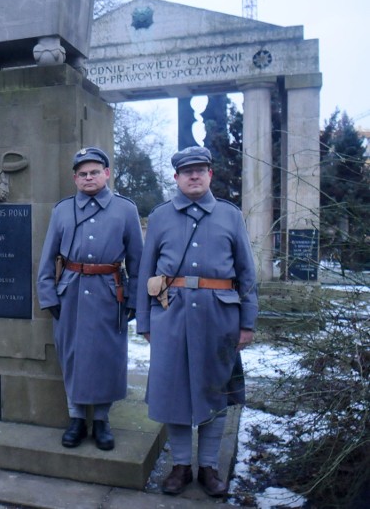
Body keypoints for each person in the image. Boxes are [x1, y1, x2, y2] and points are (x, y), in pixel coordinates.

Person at [136, 146, 257, 497]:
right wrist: (145, 320)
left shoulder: (230, 215)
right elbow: (145, 270)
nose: (194, 176)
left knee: (215, 392)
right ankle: (180, 466)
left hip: (220, 317)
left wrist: (247, 323)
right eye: (187, 171)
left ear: (210, 175)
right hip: (170, 315)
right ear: (175, 177)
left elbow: (247, 273)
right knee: (173, 392)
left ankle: (208, 467)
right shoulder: (160, 216)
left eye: (201, 170)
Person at [37, 147, 143, 451]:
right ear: (75, 178)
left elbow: (138, 259)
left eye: (94, 172)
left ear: (106, 174)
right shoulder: (62, 210)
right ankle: (76, 418)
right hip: (70, 292)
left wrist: (134, 298)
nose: (88, 177)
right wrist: (48, 295)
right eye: (82, 173)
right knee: (72, 354)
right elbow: (47, 258)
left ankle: (102, 420)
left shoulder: (125, 209)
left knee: (108, 356)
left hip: (111, 293)